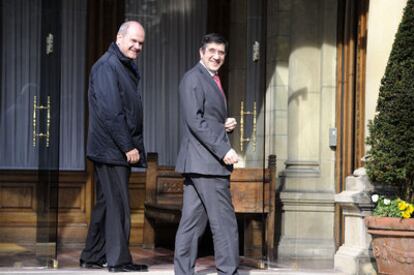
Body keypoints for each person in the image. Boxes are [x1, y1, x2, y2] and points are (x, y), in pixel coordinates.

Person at [80, 21, 148, 273]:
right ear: (119, 37)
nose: (137, 46)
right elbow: (112, 113)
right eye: (133, 41)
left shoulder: (119, 66)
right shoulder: (107, 67)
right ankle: (119, 261)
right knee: (118, 203)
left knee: (106, 203)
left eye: (141, 43)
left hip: (112, 148)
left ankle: (91, 255)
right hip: (113, 150)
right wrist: (128, 146)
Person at [174, 33, 240, 275]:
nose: (216, 56)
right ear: (201, 52)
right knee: (224, 223)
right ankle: (228, 271)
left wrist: (223, 126)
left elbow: (204, 120)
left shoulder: (210, 78)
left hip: (200, 162)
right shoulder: (193, 78)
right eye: (211, 51)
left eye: (221, 52)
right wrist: (224, 149)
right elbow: (194, 121)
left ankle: (182, 272)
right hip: (208, 164)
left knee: (191, 224)